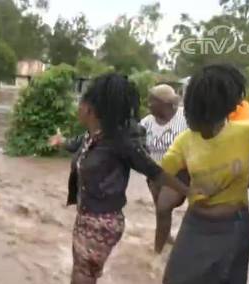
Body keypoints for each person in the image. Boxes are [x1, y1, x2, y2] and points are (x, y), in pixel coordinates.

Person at [49, 73, 197, 284]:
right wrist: (60, 141)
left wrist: (190, 192)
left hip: (102, 223)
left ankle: (160, 247)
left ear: (90, 110)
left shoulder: (120, 142)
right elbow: (75, 145)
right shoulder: (92, 136)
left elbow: (154, 171)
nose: (77, 107)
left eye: (80, 103)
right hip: (85, 217)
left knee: (82, 277)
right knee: (81, 274)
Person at [160, 64, 249, 284]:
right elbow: (160, 176)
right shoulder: (184, 142)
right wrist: (184, 190)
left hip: (235, 227)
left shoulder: (248, 131)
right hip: (195, 225)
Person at [139, 84, 189, 253]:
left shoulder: (186, 118)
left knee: (163, 207)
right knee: (161, 212)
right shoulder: (146, 123)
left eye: (152, 101)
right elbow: (138, 145)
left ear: (165, 103)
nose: (148, 104)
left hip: (179, 174)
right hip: (154, 174)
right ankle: (166, 238)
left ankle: (156, 253)